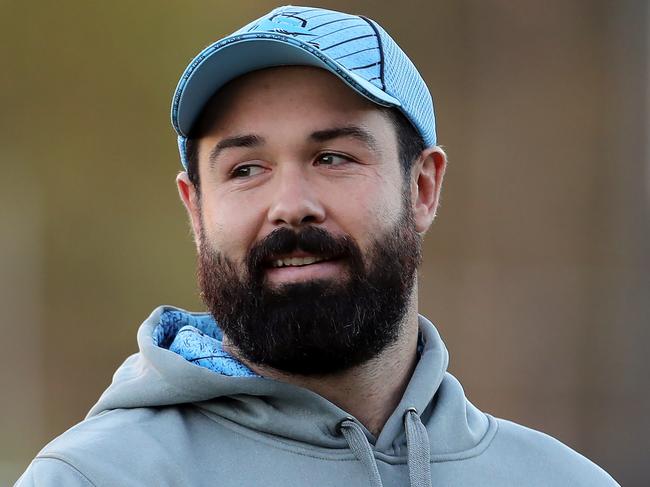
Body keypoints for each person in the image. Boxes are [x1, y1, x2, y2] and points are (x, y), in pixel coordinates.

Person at [16, 5, 618, 486]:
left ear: (423, 187)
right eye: (246, 169)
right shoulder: (94, 477)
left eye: (333, 157)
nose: (290, 203)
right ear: (196, 210)